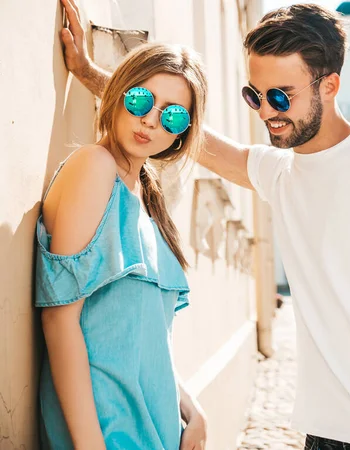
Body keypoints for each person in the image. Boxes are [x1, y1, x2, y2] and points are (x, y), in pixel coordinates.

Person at [60, 0, 350, 448]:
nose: (265, 112)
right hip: (325, 435)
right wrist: (90, 73)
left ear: (329, 85)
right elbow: (186, 134)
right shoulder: (282, 172)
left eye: (280, 97)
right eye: (254, 95)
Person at [36, 39, 209, 450]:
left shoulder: (146, 200)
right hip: (105, 430)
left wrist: (192, 409)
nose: (151, 120)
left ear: (182, 132)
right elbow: (60, 322)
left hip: (160, 428)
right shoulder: (93, 167)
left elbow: (135, 337)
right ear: (118, 92)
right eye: (140, 99)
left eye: (172, 115)